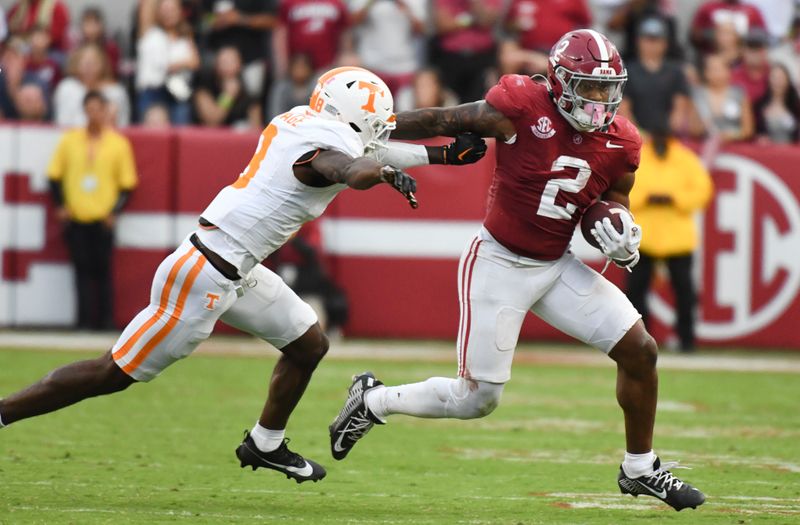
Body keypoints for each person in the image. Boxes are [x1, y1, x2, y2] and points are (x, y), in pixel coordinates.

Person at [0, 66, 487, 484]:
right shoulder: (326, 148)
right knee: (113, 372)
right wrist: (377, 174)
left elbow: (378, 143)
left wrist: (440, 154)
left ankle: (265, 443)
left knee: (307, 344)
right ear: (353, 120)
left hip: (238, 268)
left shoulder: (301, 118)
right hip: (205, 275)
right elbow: (346, 166)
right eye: (375, 124)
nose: (383, 132)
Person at [329, 30, 706, 512]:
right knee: (477, 400)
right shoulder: (524, 106)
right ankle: (373, 400)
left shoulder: (622, 142)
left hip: (556, 265)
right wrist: (372, 126)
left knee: (640, 350)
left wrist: (624, 236)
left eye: (607, 89)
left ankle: (640, 468)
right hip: (499, 261)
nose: (599, 100)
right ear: (560, 81)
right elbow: (443, 118)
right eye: (589, 87)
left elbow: (614, 202)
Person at [47, 91, 138, 330]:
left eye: (98, 109)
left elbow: (127, 185)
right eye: (89, 109)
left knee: (104, 271)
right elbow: (55, 176)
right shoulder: (70, 140)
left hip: (102, 217)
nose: (94, 114)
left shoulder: (118, 143)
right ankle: (84, 320)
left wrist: (114, 212)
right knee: (80, 271)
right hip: (77, 216)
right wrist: (62, 206)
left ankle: (106, 320)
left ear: (105, 111)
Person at [625, 127, 713, 353]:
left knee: (685, 292)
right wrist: (648, 197)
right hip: (643, 236)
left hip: (676, 237)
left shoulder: (685, 159)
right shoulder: (639, 155)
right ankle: (637, 341)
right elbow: (622, 188)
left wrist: (673, 198)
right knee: (636, 292)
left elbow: (702, 191)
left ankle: (687, 340)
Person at [619, 15, 690, 135]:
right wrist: (638, 134)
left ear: (665, 43)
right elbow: (624, 108)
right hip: (638, 138)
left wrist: (665, 136)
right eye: (647, 39)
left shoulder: (675, 72)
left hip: (668, 139)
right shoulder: (627, 71)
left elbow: (679, 109)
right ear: (638, 41)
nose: (651, 45)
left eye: (656, 40)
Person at [135, 0, 200, 125]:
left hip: (177, 90)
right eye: (164, 10)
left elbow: (195, 63)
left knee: (182, 132)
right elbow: (147, 6)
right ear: (157, 12)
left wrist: (175, 65)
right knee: (153, 136)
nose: (168, 13)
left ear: (180, 12)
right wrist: (181, 64)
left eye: (172, 9)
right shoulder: (150, 33)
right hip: (153, 92)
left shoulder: (185, 36)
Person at [53, 43, 130, 127]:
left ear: (103, 64)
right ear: (76, 64)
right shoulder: (67, 87)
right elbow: (61, 121)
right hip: (72, 137)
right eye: (85, 62)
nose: (89, 67)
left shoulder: (116, 92)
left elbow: (123, 124)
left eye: (93, 62)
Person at [689, 53, 754, 143]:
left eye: (720, 69)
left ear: (728, 71)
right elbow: (693, 130)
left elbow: (748, 130)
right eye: (712, 69)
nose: (716, 73)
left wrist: (731, 135)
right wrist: (703, 126)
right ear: (706, 72)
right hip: (707, 147)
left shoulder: (739, 93)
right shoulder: (699, 95)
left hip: (735, 148)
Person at [193, 46, 261, 129]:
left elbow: (256, 131)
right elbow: (212, 122)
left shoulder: (249, 96)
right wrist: (228, 96)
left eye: (231, 61)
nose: (227, 65)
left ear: (240, 64)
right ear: (216, 64)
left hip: (240, 141)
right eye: (223, 61)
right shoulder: (204, 90)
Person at [754, 63, 800, 143]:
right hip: (766, 152)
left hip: (791, 151)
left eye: (781, 78)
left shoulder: (796, 106)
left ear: (787, 80)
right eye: (775, 78)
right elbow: (754, 132)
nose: (778, 82)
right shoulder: (759, 105)